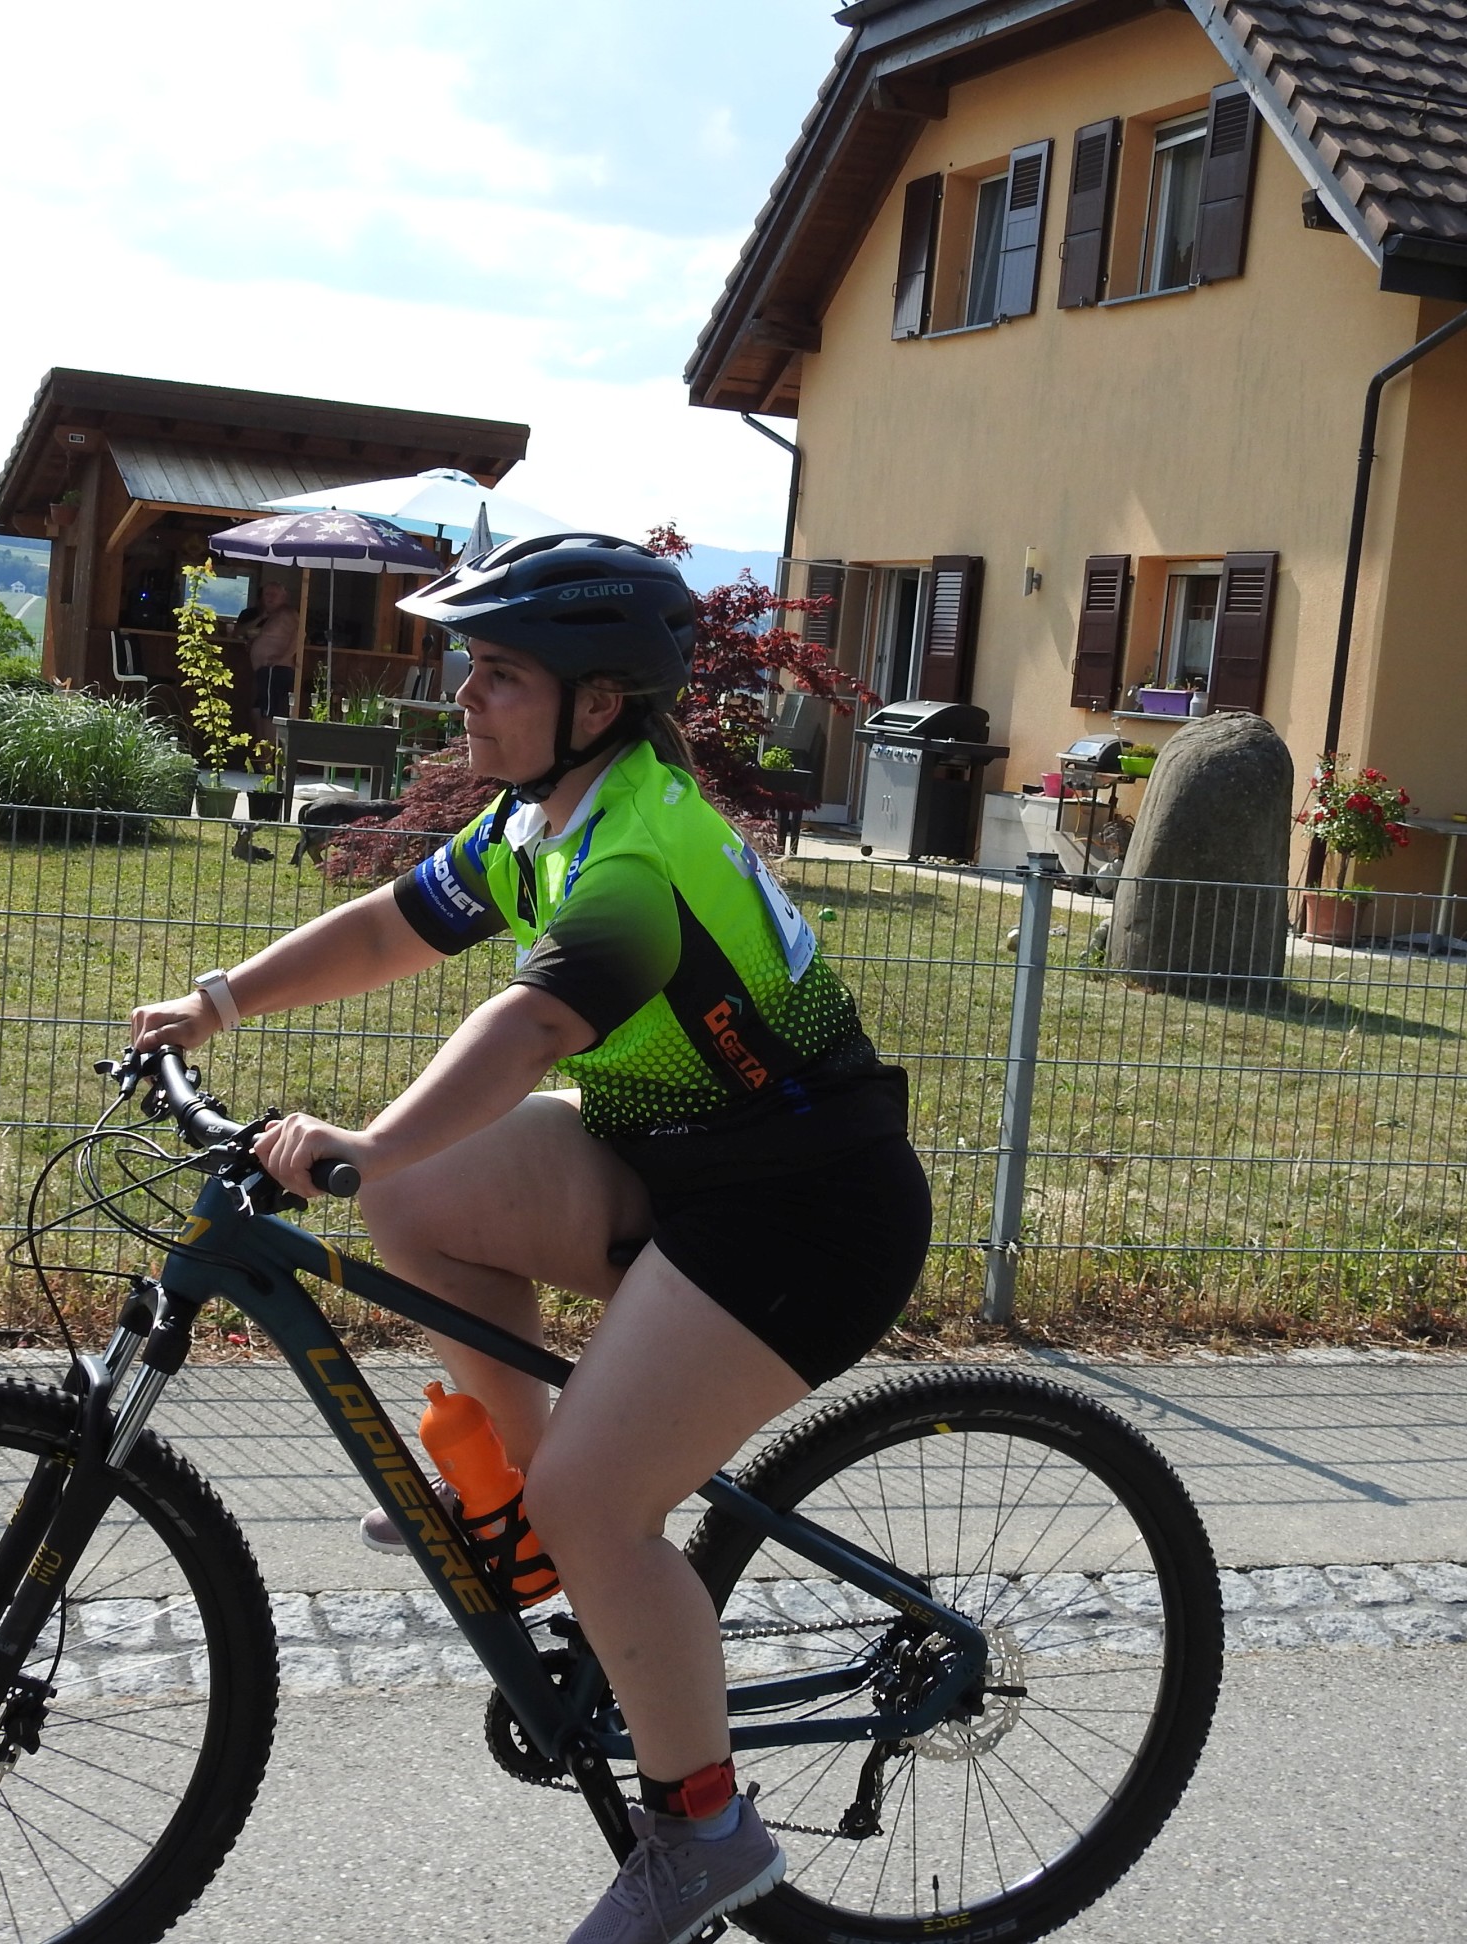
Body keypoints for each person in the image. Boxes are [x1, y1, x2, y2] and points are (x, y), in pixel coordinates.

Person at [128, 533, 930, 1944]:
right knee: (419, 1202)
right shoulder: (538, 822)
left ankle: (703, 1833)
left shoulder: (636, 857)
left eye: (498, 672)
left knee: (597, 1501)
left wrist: (372, 1136)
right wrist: (220, 1002)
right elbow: (391, 928)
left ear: (597, 701)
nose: (465, 695)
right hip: (672, 1160)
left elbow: (532, 1026)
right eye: (471, 666)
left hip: (805, 1214)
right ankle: (514, 1513)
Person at [241, 579, 299, 722]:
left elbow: (300, 636)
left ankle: (271, 738)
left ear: (284, 597)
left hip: (275, 671)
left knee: (270, 715)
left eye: (274, 594)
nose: (270, 598)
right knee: (258, 712)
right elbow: (240, 632)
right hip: (264, 672)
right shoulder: (271, 616)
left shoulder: (287, 613)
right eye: (267, 594)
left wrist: (282, 659)